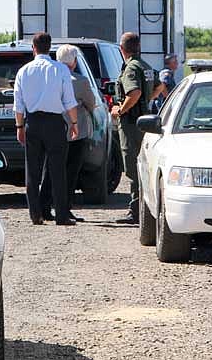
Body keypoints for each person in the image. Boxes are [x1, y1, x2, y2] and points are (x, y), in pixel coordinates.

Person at [13, 32, 79, 226]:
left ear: (33, 48)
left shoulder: (23, 71)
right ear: (50, 48)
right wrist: (74, 123)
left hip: (32, 122)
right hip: (54, 123)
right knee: (57, 169)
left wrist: (19, 126)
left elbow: (18, 104)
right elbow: (69, 101)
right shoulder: (60, 70)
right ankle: (61, 215)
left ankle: (36, 214)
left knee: (32, 170)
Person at [39, 44, 97, 222]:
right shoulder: (79, 81)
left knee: (49, 170)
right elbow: (91, 103)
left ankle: (44, 207)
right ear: (73, 62)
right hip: (75, 132)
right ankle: (65, 208)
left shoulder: (47, 78)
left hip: (51, 130)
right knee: (70, 172)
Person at [111, 32, 164, 224]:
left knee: (133, 166)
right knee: (144, 164)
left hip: (132, 123)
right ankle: (144, 208)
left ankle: (135, 211)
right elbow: (159, 86)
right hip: (144, 122)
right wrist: (145, 100)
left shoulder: (131, 68)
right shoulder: (146, 66)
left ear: (122, 49)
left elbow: (134, 92)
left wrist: (121, 110)